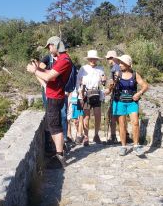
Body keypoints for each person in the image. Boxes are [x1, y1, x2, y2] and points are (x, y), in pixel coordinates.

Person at [27, 36, 72, 167]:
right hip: (55, 95)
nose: (49, 49)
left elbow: (49, 76)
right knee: (54, 124)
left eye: (50, 46)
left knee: (54, 126)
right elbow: (50, 72)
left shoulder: (64, 60)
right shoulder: (63, 59)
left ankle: (59, 156)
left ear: (55, 45)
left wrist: (34, 70)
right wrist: (38, 69)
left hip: (55, 96)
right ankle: (58, 153)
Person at [111, 55, 148, 156]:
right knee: (122, 124)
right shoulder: (117, 74)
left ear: (128, 65)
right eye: (120, 63)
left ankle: (136, 146)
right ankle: (123, 146)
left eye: (122, 63)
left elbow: (145, 86)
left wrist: (139, 93)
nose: (120, 65)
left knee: (135, 123)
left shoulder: (135, 74)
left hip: (132, 102)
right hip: (120, 102)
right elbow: (111, 88)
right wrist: (112, 83)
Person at [76, 50, 106, 146]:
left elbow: (103, 83)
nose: (93, 60)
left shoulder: (100, 69)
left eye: (95, 59)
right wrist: (79, 93)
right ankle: (86, 136)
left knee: (98, 114)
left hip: (96, 93)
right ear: (88, 59)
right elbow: (78, 82)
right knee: (86, 116)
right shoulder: (83, 69)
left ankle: (96, 135)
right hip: (86, 93)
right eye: (91, 59)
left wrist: (104, 81)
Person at [105, 50, 132, 145]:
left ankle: (113, 137)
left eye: (109, 58)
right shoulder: (119, 67)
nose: (108, 60)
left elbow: (114, 81)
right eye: (107, 58)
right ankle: (126, 135)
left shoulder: (115, 68)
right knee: (119, 116)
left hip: (116, 94)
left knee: (113, 115)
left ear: (113, 58)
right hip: (120, 94)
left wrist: (108, 90)